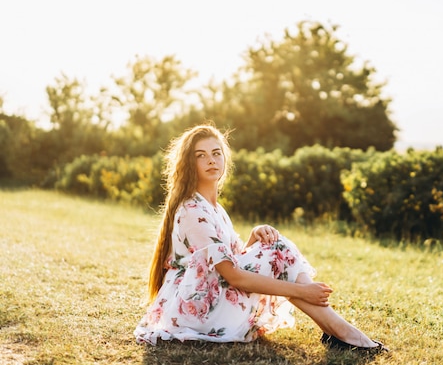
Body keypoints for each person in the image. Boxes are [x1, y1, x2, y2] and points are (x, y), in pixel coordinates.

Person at [134, 123, 388, 353]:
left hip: (211, 295)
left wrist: (254, 237)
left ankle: (336, 331)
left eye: (216, 153)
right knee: (278, 249)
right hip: (198, 311)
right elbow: (233, 275)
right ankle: (341, 331)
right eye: (201, 156)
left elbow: (230, 261)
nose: (211, 160)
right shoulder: (192, 210)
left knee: (274, 244)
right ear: (189, 164)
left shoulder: (213, 208)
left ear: (224, 158)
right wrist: (301, 291)